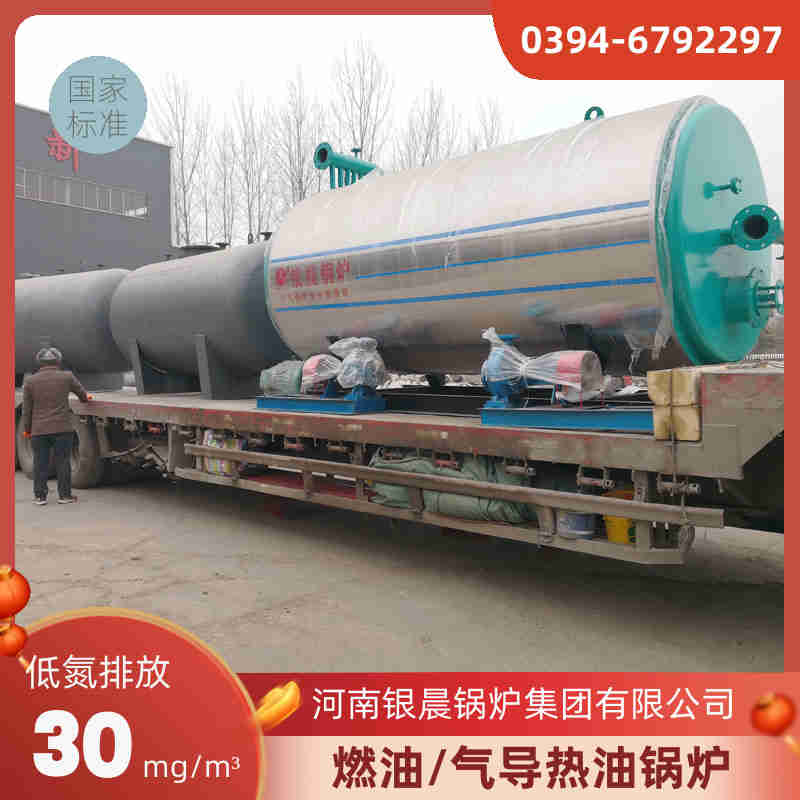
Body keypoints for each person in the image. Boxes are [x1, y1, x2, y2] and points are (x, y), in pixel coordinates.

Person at [22, 347, 92, 505]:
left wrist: (27, 430)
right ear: (58, 360)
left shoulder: (30, 381)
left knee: (40, 463)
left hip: (39, 430)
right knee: (63, 461)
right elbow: (83, 395)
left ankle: (40, 497)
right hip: (62, 429)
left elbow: (27, 410)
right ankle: (65, 496)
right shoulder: (67, 377)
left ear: (39, 362)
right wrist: (86, 398)